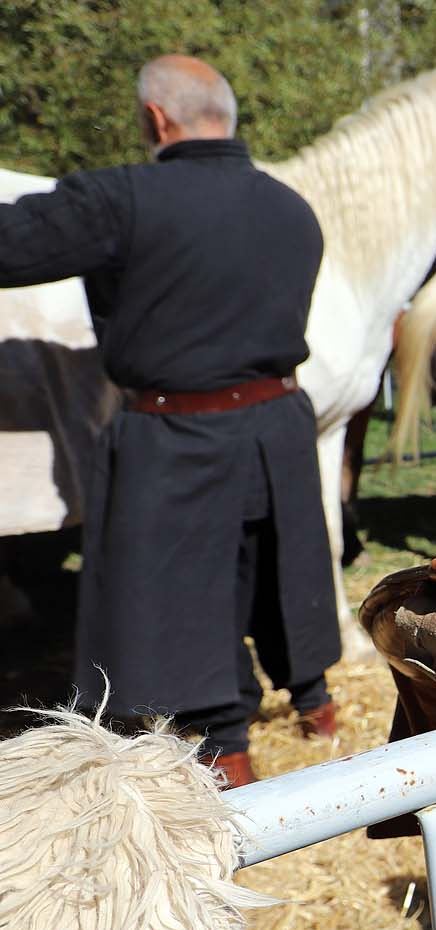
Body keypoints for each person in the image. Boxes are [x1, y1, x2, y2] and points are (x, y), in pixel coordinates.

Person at [0, 55, 338, 786]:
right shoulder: (292, 208)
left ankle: (228, 755)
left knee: (188, 602)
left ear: (156, 119)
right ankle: (314, 706)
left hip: (178, 442)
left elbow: (9, 243)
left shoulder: (124, 197)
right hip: (278, 433)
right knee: (262, 586)